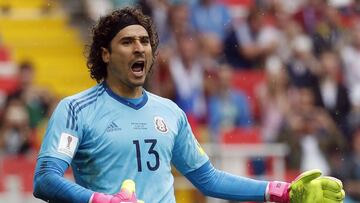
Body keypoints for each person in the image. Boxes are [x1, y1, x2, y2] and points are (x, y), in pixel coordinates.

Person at [33, 7, 345, 203]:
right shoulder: (76, 110)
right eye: (127, 42)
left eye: (144, 41)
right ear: (105, 54)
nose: (139, 47)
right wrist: (101, 201)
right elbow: (46, 180)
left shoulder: (169, 113)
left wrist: (281, 192)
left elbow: (208, 179)